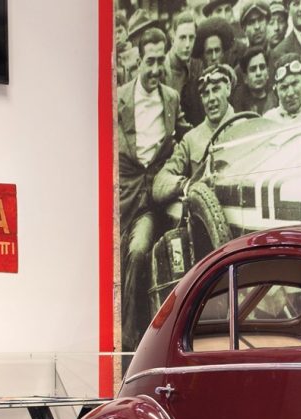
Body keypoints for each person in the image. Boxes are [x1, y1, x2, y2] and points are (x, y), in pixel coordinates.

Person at [118, 26, 180, 350]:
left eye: (160, 61)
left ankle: (129, 339)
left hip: (148, 198)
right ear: (138, 61)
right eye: (149, 61)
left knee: (139, 249)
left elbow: (175, 142)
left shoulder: (171, 99)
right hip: (121, 193)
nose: (155, 69)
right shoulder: (120, 98)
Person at [153, 65, 237, 206]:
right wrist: (189, 184)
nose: (211, 99)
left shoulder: (249, 127)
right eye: (205, 93)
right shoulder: (191, 139)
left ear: (228, 88)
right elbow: (159, 185)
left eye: (216, 90)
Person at [232, 46, 278, 113]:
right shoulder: (239, 106)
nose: (258, 73)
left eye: (262, 67)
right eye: (253, 69)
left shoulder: (276, 100)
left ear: (268, 73)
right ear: (245, 78)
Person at [264, 54, 301, 119]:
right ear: (276, 90)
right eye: (284, 87)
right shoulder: (269, 120)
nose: (290, 93)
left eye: (294, 84)